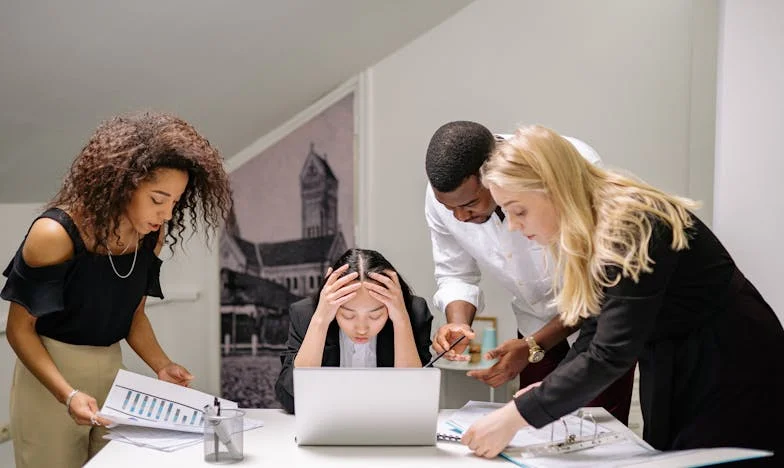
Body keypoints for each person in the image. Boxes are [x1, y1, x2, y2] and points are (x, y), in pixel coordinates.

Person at [462, 124, 784, 465]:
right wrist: (545, 392)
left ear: (552, 188)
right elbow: (595, 326)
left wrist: (517, 415)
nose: (511, 225)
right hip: (673, 355)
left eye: (518, 210)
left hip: (732, 359)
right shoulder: (593, 221)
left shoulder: (631, 222)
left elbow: (609, 354)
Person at [1, 112, 232, 468]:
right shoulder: (54, 234)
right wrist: (68, 394)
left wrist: (162, 364)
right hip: (50, 379)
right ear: (123, 184)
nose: (167, 214)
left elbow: (133, 315)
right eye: (158, 199)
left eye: (174, 201)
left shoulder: (151, 235)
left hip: (111, 371)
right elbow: (19, 330)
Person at [425, 121, 633, 423]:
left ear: (494, 176)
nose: (459, 216)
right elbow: (455, 272)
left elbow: (601, 287)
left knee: (597, 430)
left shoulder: (571, 166)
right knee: (532, 429)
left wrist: (534, 344)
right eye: (449, 208)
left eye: (470, 204)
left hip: (599, 324)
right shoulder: (445, 195)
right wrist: (458, 325)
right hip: (532, 322)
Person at [275, 248, 433, 413]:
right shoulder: (306, 315)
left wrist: (401, 320)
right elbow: (292, 400)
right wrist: (320, 321)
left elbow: (416, 402)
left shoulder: (413, 313)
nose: (362, 329)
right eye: (348, 315)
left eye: (375, 316)